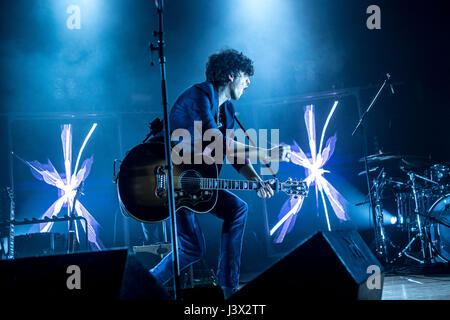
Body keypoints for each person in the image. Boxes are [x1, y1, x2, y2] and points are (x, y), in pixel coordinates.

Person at [150, 49, 291, 298]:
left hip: (194, 183)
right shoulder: (199, 97)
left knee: (236, 210)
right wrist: (267, 153)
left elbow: (235, 156)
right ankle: (144, 283)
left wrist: (257, 181)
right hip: (168, 178)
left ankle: (228, 289)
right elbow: (217, 143)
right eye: (246, 76)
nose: (249, 83)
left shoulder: (227, 111)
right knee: (192, 248)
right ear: (230, 75)